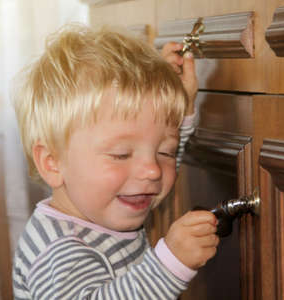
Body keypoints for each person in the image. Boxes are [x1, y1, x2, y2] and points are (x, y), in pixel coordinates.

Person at [12, 24, 219, 300]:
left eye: (164, 152)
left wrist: (181, 109)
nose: (152, 170)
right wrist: (170, 265)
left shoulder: (98, 207)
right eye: (121, 154)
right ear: (53, 163)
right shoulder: (61, 250)